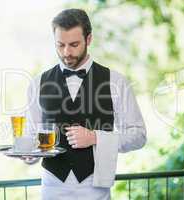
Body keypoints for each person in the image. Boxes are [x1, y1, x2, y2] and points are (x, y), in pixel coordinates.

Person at [23, 8, 147, 200]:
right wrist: (28, 155)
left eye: (74, 44)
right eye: (60, 45)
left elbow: (138, 135)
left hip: (96, 189)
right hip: (52, 189)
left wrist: (95, 137)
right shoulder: (37, 84)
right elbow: (31, 138)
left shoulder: (116, 82)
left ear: (89, 39)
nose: (66, 52)